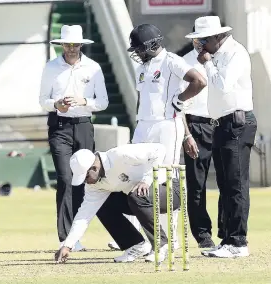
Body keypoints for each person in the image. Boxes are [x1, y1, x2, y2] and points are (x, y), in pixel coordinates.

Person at [124, 23, 207, 256]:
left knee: (163, 180)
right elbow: (143, 100)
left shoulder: (172, 61)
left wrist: (179, 101)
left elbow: (199, 81)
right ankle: (148, 240)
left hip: (166, 126)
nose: (137, 52)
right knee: (137, 178)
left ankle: (171, 239)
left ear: (152, 44)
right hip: (143, 126)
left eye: (140, 48)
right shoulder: (143, 67)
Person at [186, 16, 257, 258]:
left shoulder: (235, 53)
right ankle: (228, 239)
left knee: (235, 184)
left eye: (203, 41)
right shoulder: (217, 55)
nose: (200, 46)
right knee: (225, 185)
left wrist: (206, 63)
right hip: (221, 125)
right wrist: (209, 61)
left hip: (237, 123)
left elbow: (223, 84)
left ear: (217, 37)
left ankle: (238, 241)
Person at [39, 25, 109, 250]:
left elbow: (103, 102)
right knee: (65, 179)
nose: (71, 49)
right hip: (59, 127)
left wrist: (84, 102)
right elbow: (43, 100)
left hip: (83, 127)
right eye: (67, 45)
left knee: (85, 179)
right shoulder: (51, 68)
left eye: (75, 45)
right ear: (61, 45)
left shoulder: (94, 68)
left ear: (81, 45)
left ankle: (76, 235)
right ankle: (66, 237)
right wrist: (56, 104)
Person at [55, 143, 183, 264]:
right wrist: (68, 245)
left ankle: (162, 244)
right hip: (139, 199)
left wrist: (147, 180)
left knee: (137, 195)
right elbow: (84, 215)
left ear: (94, 168)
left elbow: (159, 149)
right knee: (104, 205)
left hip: (170, 189)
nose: (86, 182)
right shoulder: (94, 186)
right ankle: (135, 244)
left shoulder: (119, 155)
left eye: (86, 177)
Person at [182, 34, 216, 249]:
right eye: (198, 40)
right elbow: (179, 104)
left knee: (229, 182)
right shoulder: (184, 63)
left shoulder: (224, 59)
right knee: (196, 184)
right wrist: (187, 135)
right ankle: (203, 235)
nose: (202, 44)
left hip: (224, 123)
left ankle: (230, 233)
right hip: (196, 125)